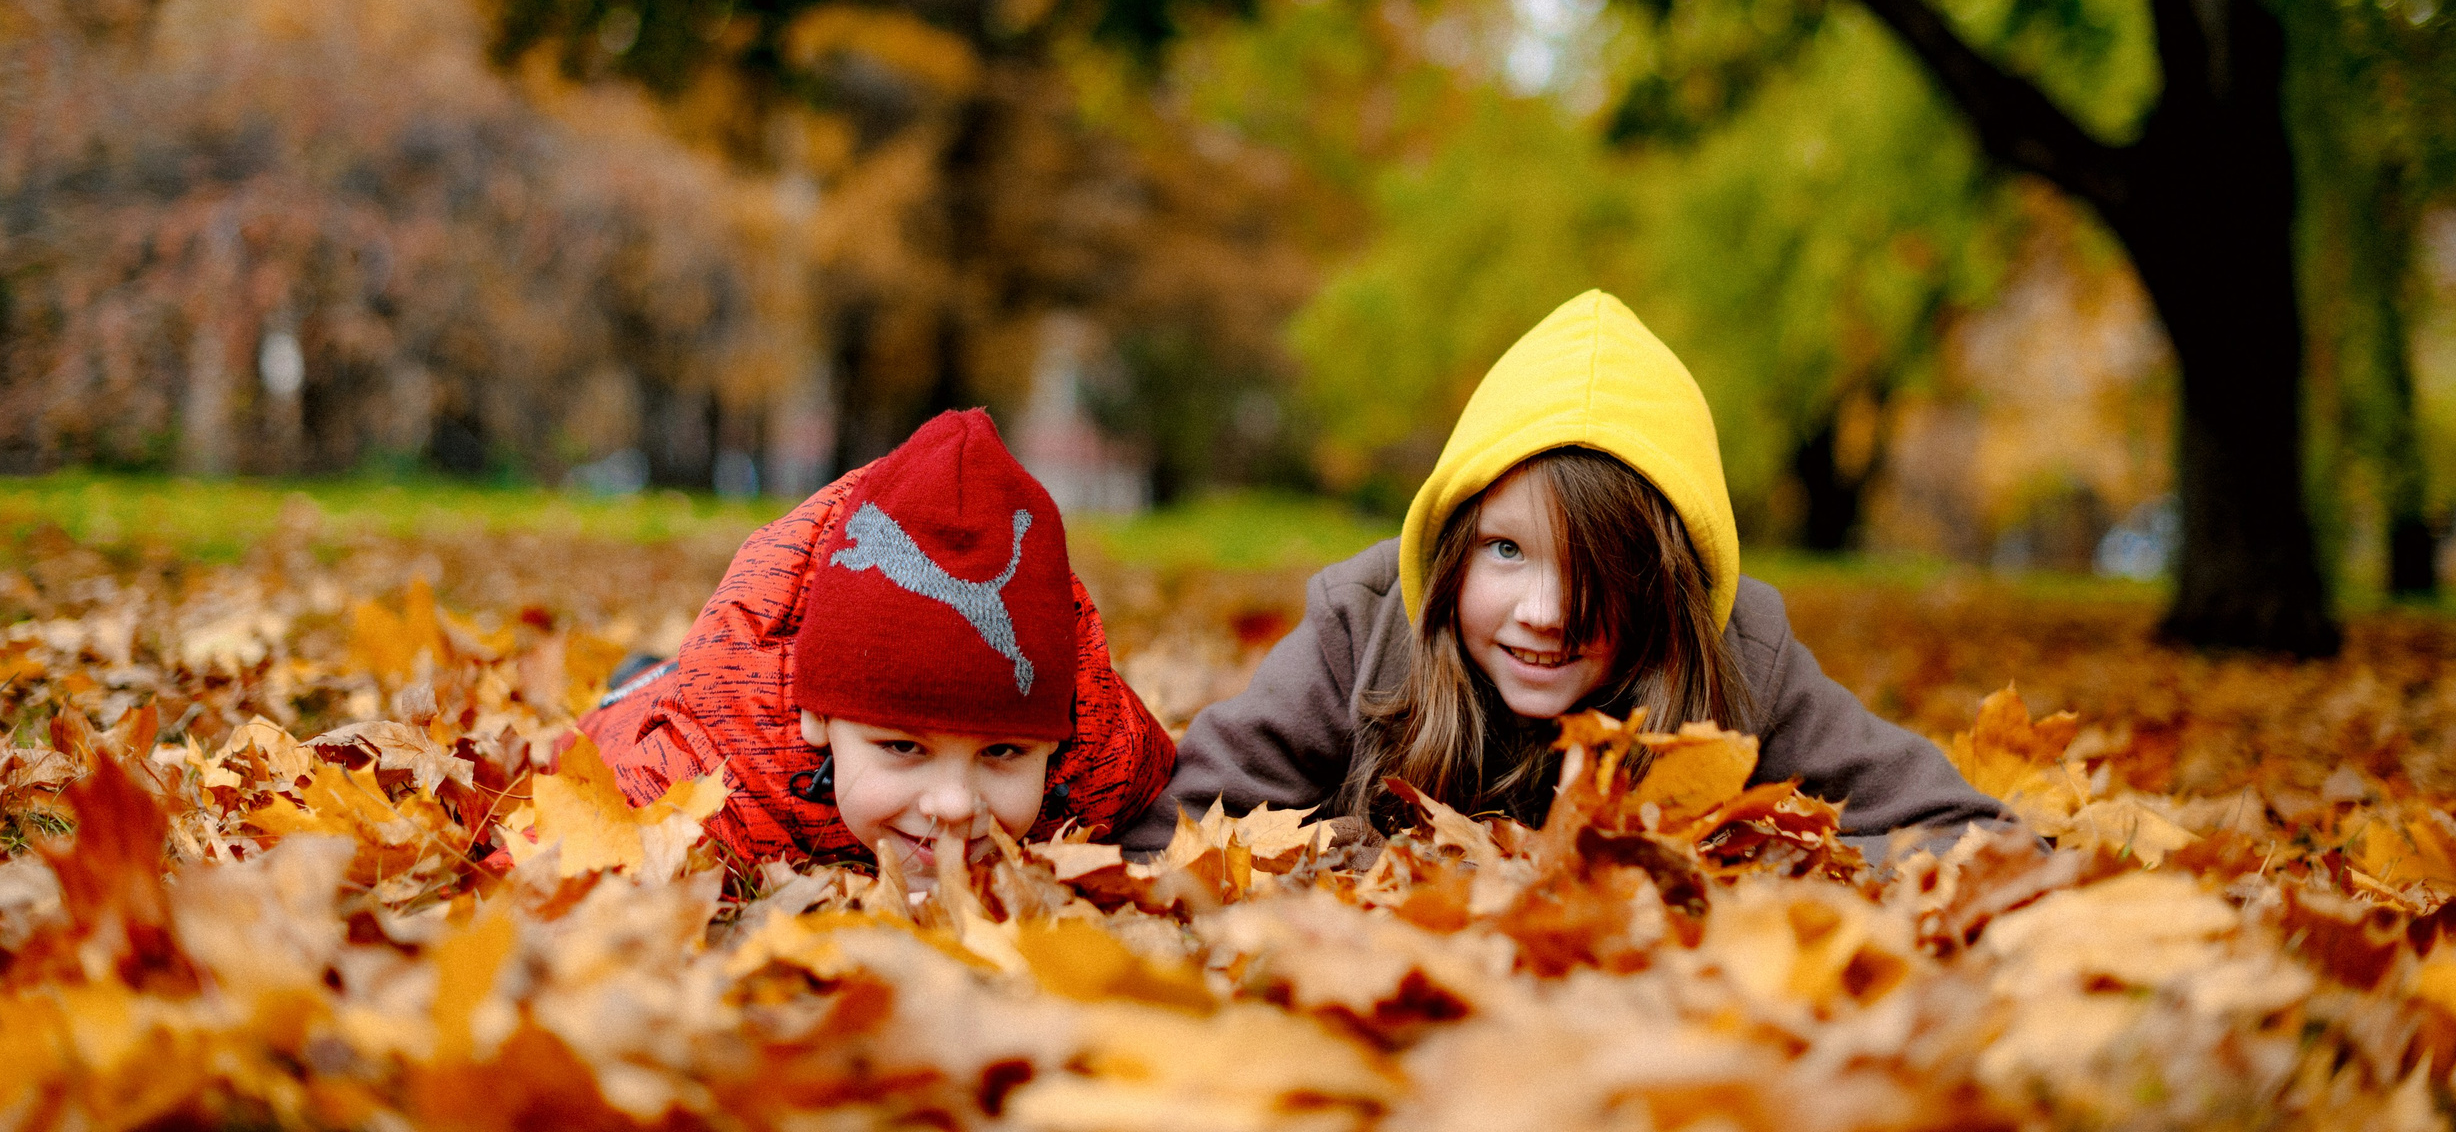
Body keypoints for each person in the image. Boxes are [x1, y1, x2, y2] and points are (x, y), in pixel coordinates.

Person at [1120, 291, 2004, 861]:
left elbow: (1978, 836)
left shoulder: (1743, 656)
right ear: (1453, 543)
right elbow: (1174, 835)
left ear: (1666, 585)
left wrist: (1739, 865)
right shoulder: (1362, 626)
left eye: (1599, 568)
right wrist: (1362, 859)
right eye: (1506, 549)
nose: (1545, 612)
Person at [582, 408, 1175, 876]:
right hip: (679, 710)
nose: (954, 805)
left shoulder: (1098, 762)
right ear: (818, 716)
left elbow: (1165, 777)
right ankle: (639, 673)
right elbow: (575, 855)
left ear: (1056, 739)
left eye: (1002, 751)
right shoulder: (716, 779)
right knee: (639, 694)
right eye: (903, 746)